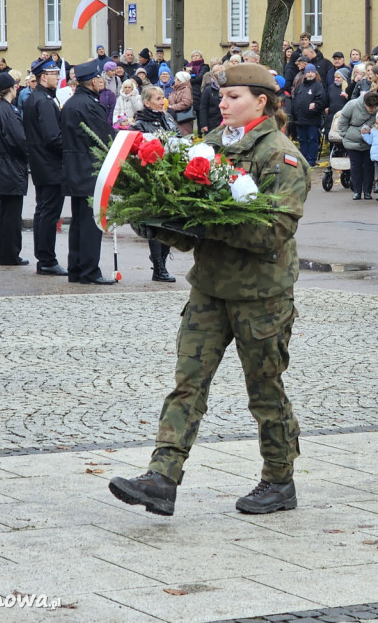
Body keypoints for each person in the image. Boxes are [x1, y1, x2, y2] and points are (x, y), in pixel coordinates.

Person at [108, 63, 311, 517]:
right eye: (221, 96)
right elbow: (191, 227)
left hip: (261, 295)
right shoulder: (211, 146)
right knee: (188, 383)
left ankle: (279, 480)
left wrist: (206, 224)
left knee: (264, 390)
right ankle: (162, 478)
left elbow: (272, 232)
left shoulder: (282, 156)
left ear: (261, 102)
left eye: (234, 96)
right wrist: (159, 222)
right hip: (210, 289)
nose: (222, 103)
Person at [60, 60, 116, 285]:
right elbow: (103, 138)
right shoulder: (91, 105)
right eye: (99, 78)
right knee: (91, 223)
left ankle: (76, 268)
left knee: (78, 222)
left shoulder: (72, 103)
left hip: (74, 168)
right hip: (89, 168)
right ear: (93, 81)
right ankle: (89, 271)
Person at [22, 58, 68, 276]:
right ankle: (47, 259)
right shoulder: (45, 101)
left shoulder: (36, 98)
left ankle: (44, 257)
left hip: (41, 163)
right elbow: (53, 137)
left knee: (43, 212)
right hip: (50, 164)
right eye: (54, 74)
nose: (58, 77)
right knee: (48, 214)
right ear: (43, 76)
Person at [131, 85, 180, 282]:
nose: (162, 101)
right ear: (147, 102)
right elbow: (135, 151)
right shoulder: (140, 124)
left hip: (171, 175)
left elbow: (178, 138)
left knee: (168, 222)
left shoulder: (167, 118)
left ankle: (162, 263)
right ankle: (158, 268)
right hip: (152, 177)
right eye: (158, 98)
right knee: (155, 221)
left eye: (163, 97)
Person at [0, 73, 30, 266]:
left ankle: (5, 254)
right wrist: (31, 156)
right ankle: (10, 254)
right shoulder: (7, 111)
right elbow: (19, 141)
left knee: (6, 212)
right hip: (10, 166)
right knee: (11, 214)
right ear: (12, 88)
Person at [337, 91, 378, 200]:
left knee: (368, 166)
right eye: (369, 107)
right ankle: (357, 191)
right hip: (352, 141)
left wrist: (372, 130)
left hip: (369, 142)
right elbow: (342, 120)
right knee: (355, 166)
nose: (372, 110)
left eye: (374, 108)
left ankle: (367, 191)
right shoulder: (352, 105)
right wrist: (344, 134)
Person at [291, 63, 323, 166]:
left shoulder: (318, 87)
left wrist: (315, 106)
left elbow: (322, 101)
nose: (310, 74)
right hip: (300, 119)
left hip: (312, 120)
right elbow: (295, 100)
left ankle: (311, 161)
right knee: (302, 140)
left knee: (312, 140)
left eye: (312, 72)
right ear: (304, 74)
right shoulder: (300, 87)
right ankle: (303, 160)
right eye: (308, 72)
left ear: (315, 73)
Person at [167, 70, 195, 135]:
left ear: (180, 80)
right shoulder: (176, 90)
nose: (174, 80)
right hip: (176, 118)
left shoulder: (186, 90)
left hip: (183, 120)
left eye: (176, 78)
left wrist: (172, 107)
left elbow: (186, 103)